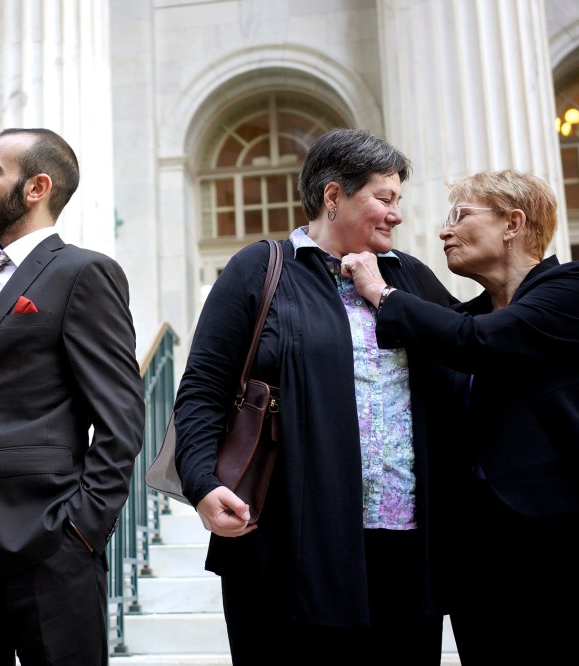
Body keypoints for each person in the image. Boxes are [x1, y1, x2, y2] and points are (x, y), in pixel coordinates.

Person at [173, 128, 465, 664]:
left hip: (403, 550)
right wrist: (202, 482)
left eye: (398, 200)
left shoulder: (410, 278)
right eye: (384, 197)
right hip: (287, 547)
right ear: (333, 197)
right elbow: (203, 387)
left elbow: (473, 348)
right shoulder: (260, 268)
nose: (396, 214)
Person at [342, 169, 579, 663]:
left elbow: (479, 344)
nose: (444, 230)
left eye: (460, 216)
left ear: (513, 224)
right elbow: (452, 335)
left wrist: (382, 291)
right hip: (481, 554)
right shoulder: (467, 315)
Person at [0, 128, 145, 665]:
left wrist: (83, 528)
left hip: (50, 541)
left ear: (36, 187)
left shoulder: (83, 273)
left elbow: (121, 418)